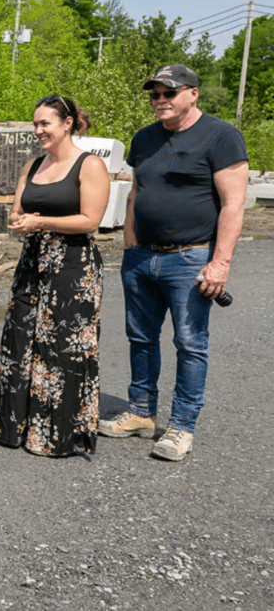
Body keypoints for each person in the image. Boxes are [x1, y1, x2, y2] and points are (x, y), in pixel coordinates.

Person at [99, 64, 248, 461]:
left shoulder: (221, 136)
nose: (160, 101)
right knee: (140, 338)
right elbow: (135, 192)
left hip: (191, 258)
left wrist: (220, 262)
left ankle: (181, 427)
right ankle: (141, 412)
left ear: (193, 94)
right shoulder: (144, 138)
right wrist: (130, 245)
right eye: (155, 95)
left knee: (190, 343)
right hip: (142, 257)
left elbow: (234, 203)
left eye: (169, 93)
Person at [0, 94, 110, 457]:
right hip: (33, 262)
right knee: (21, 340)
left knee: (62, 349)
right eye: (35, 123)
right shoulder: (34, 165)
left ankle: (57, 436)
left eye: (45, 123)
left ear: (67, 123)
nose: (38, 130)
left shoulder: (89, 166)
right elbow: (18, 211)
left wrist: (41, 221)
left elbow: (91, 221)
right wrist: (21, 221)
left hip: (73, 266)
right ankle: (16, 429)